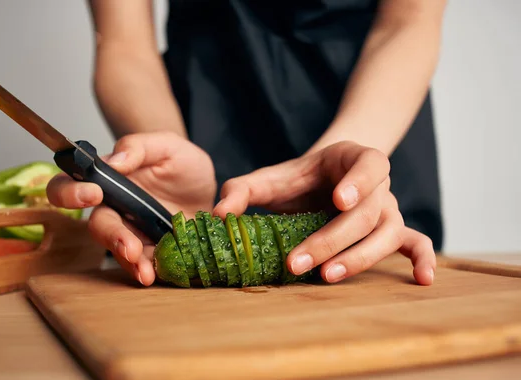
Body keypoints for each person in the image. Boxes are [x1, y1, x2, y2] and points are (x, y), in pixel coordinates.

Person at [47, 0, 447, 287]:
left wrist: (349, 166)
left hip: (370, 122)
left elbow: (409, 21)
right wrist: (165, 144)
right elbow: (124, 42)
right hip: (204, 124)